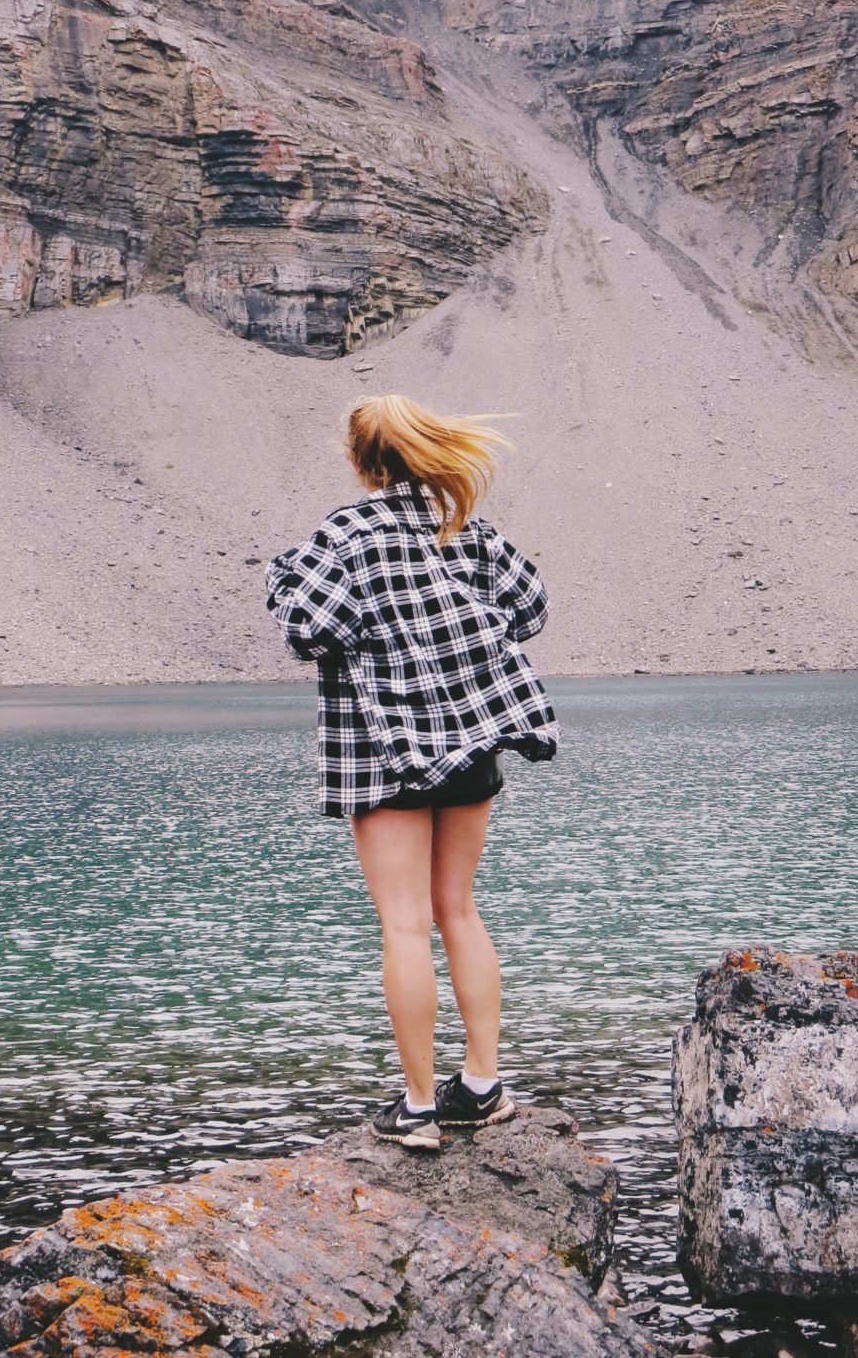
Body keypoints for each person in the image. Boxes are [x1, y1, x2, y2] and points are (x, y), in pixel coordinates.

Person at [264, 393, 556, 1150]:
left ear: (364, 460)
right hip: (471, 744)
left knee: (403, 924)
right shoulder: (468, 526)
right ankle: (484, 1087)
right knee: (457, 910)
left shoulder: (347, 533)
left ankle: (420, 1108)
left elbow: (308, 628)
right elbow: (530, 606)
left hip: (381, 751)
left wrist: (284, 579)